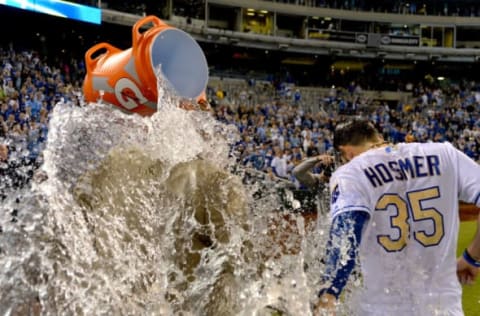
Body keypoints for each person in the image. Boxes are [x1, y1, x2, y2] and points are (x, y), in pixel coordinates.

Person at [313, 118, 480, 316]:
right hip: (444, 310)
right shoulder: (446, 154)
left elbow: (345, 237)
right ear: (379, 137)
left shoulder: (350, 172)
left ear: (346, 152)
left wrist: (329, 294)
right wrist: (472, 257)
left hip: (379, 309)